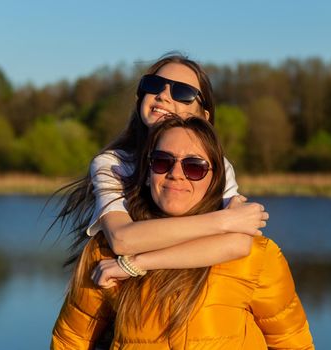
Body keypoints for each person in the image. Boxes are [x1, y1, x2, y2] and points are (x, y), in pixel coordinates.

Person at [51, 116, 314, 349]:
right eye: (163, 161)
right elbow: (70, 341)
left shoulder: (257, 256)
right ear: (146, 172)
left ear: (216, 180)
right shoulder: (104, 250)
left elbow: (294, 345)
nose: (176, 174)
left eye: (194, 167)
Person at [56, 53, 268, 276]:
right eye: (154, 85)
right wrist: (223, 221)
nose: (163, 95)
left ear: (204, 116)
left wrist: (139, 263)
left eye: (182, 92)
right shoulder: (113, 164)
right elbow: (122, 239)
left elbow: (238, 244)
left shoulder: (218, 167)